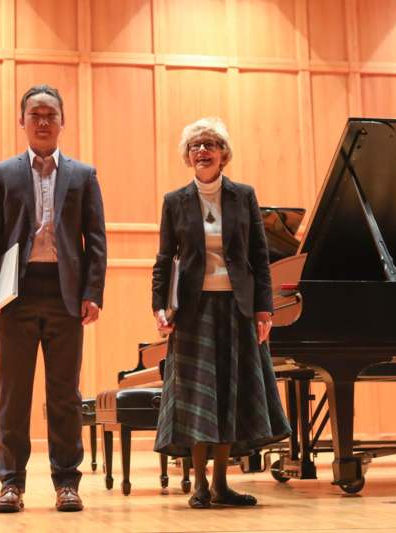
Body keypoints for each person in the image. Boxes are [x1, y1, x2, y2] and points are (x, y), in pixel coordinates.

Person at [0, 84, 107, 513]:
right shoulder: (3, 172)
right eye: (36, 115)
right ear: (23, 122)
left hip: (66, 295)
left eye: (51, 115)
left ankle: (67, 482)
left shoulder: (83, 175)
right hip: (17, 295)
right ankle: (11, 483)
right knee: (14, 393)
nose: (44, 122)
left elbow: (97, 240)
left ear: (62, 121)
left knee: (64, 393)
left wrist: (93, 293)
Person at [151, 117, 290, 508]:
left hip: (237, 308)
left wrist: (264, 309)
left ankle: (221, 485)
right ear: (188, 156)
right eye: (195, 145)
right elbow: (164, 260)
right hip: (193, 312)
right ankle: (198, 485)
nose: (202, 150)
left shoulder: (243, 196)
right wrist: (159, 306)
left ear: (223, 154)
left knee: (228, 394)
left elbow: (260, 258)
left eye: (210, 144)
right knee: (199, 398)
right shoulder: (174, 201)